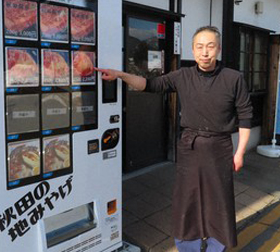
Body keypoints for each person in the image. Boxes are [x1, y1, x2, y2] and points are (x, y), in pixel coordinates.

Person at [96, 26, 252, 252]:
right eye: (199, 47)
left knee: (219, 200)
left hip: (220, 147)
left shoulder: (233, 78)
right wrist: (120, 75)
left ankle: (217, 246)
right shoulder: (183, 75)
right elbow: (151, 85)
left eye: (210, 46)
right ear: (193, 49)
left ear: (218, 49)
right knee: (187, 199)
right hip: (189, 146)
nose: (205, 52)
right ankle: (188, 246)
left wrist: (240, 152)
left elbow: (246, 116)